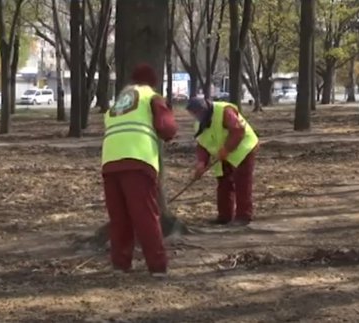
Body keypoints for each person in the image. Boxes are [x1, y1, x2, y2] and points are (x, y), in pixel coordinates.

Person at [101, 63, 178, 277]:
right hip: (138, 159)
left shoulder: (118, 103)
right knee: (145, 215)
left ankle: (120, 264)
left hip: (109, 161)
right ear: (152, 82)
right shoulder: (150, 96)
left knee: (119, 217)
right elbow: (167, 128)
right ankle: (157, 266)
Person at [186, 98, 259, 226]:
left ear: (204, 109)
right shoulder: (199, 124)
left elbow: (238, 130)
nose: (196, 117)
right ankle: (225, 216)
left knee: (242, 183)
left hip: (243, 149)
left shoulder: (224, 111)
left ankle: (243, 216)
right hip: (223, 155)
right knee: (224, 183)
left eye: (197, 113)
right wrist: (201, 163)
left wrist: (227, 149)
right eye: (193, 114)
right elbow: (202, 144)